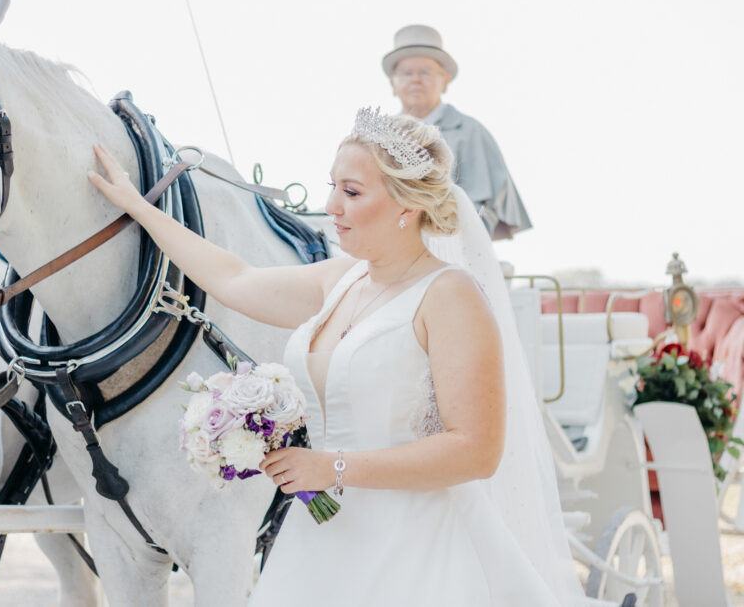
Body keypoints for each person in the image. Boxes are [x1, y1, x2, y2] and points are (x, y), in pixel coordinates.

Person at [87, 108, 581, 604]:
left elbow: (476, 450)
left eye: (352, 192)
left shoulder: (450, 294)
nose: (331, 207)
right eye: (332, 187)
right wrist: (138, 206)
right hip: (322, 543)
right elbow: (233, 278)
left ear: (408, 204)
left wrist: (333, 468)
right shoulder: (340, 279)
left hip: (417, 548)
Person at [384, 24, 532, 240]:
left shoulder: (471, 132)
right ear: (393, 83)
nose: (416, 79)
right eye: (407, 73)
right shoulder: (376, 137)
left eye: (425, 72)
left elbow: (482, 210)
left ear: (444, 80)